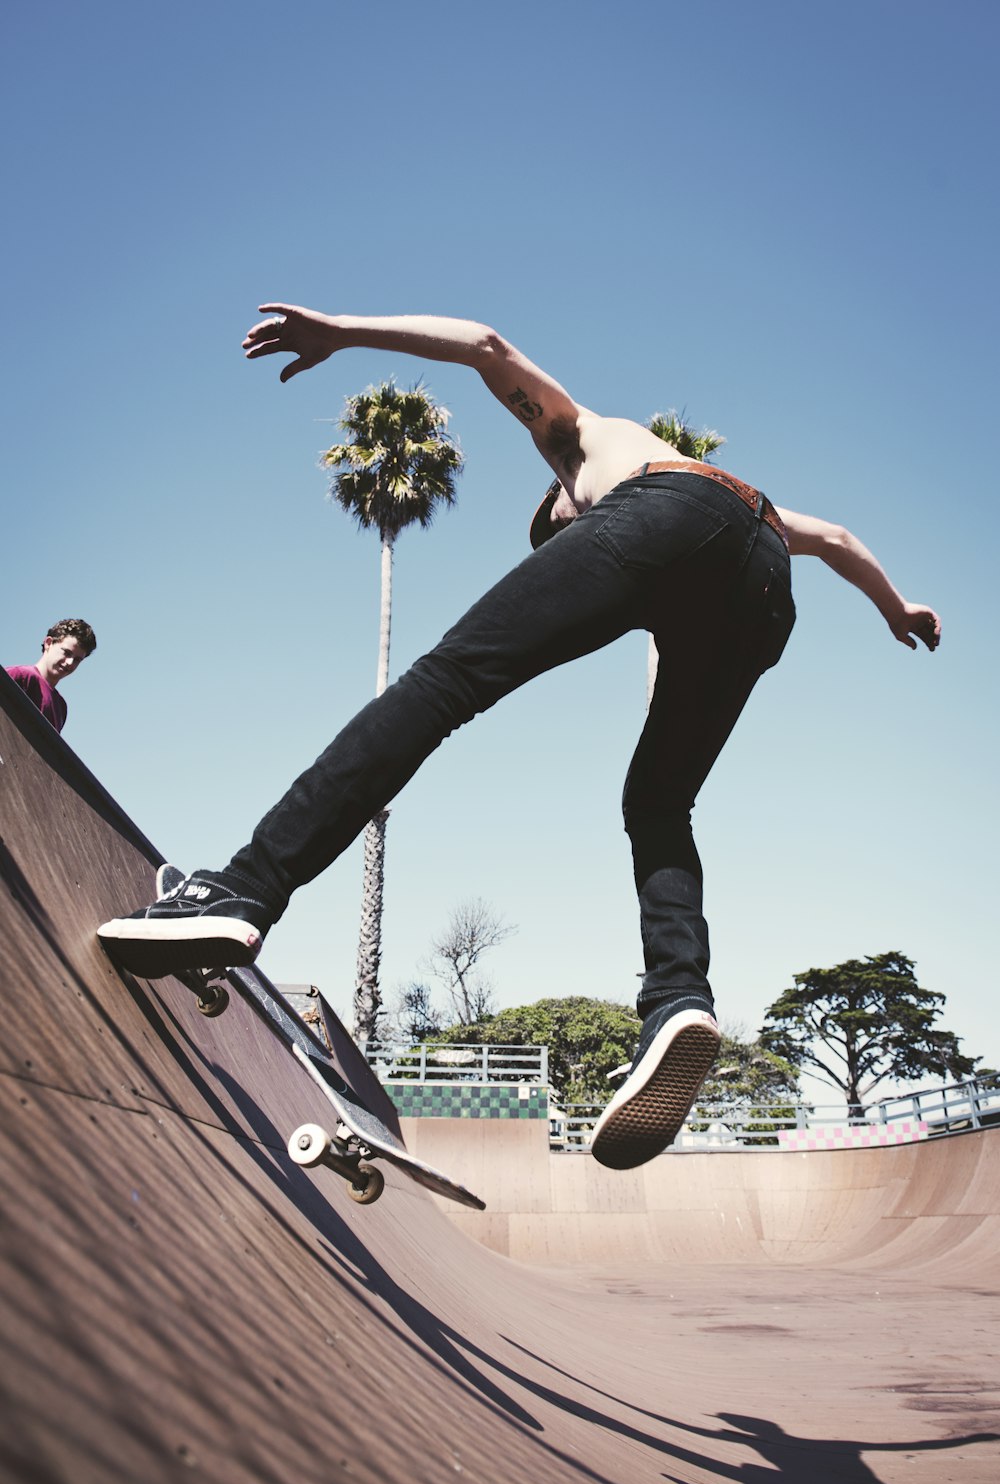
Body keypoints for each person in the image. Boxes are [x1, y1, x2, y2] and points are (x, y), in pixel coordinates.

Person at [98, 306, 940, 1170]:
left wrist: (340, 333)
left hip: (674, 522)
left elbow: (485, 346)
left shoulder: (573, 444)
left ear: (561, 498)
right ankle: (680, 999)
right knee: (658, 800)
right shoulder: (726, 493)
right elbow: (832, 540)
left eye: (559, 530)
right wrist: (895, 608)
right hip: (765, 576)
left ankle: (242, 889)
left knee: (443, 682)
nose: (562, 540)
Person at [5, 618, 97, 734]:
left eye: (77, 660)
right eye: (66, 653)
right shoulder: (20, 676)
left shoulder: (61, 706)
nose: (69, 662)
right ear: (48, 643)